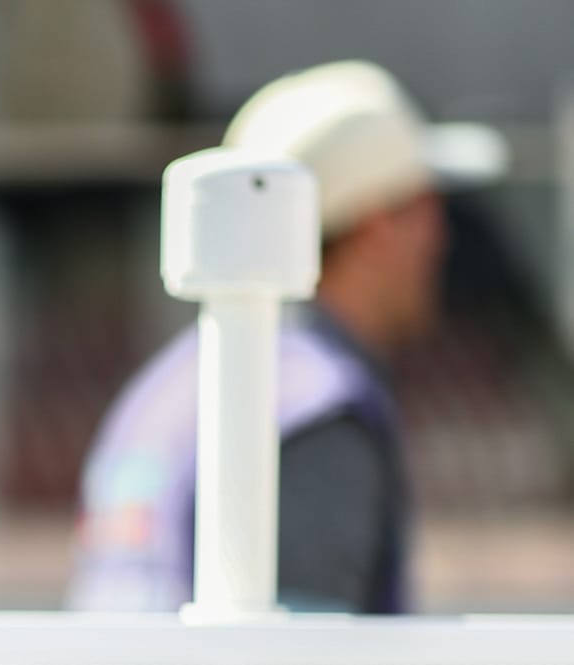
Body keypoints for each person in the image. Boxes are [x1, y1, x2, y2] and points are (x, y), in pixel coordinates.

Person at [71, 60, 504, 613]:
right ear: (377, 223)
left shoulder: (160, 390)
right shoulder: (313, 411)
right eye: (425, 206)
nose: (442, 237)